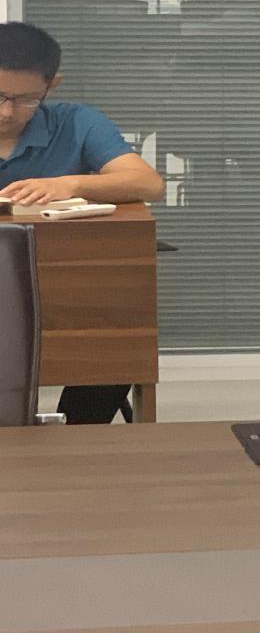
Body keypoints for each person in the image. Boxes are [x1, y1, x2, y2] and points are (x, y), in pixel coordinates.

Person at [0, 21, 164, 423]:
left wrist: (69, 183)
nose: (6, 112)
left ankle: (77, 433)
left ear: (51, 86)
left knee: (115, 340)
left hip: (67, 285)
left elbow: (148, 183)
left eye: (25, 100)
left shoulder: (75, 122)